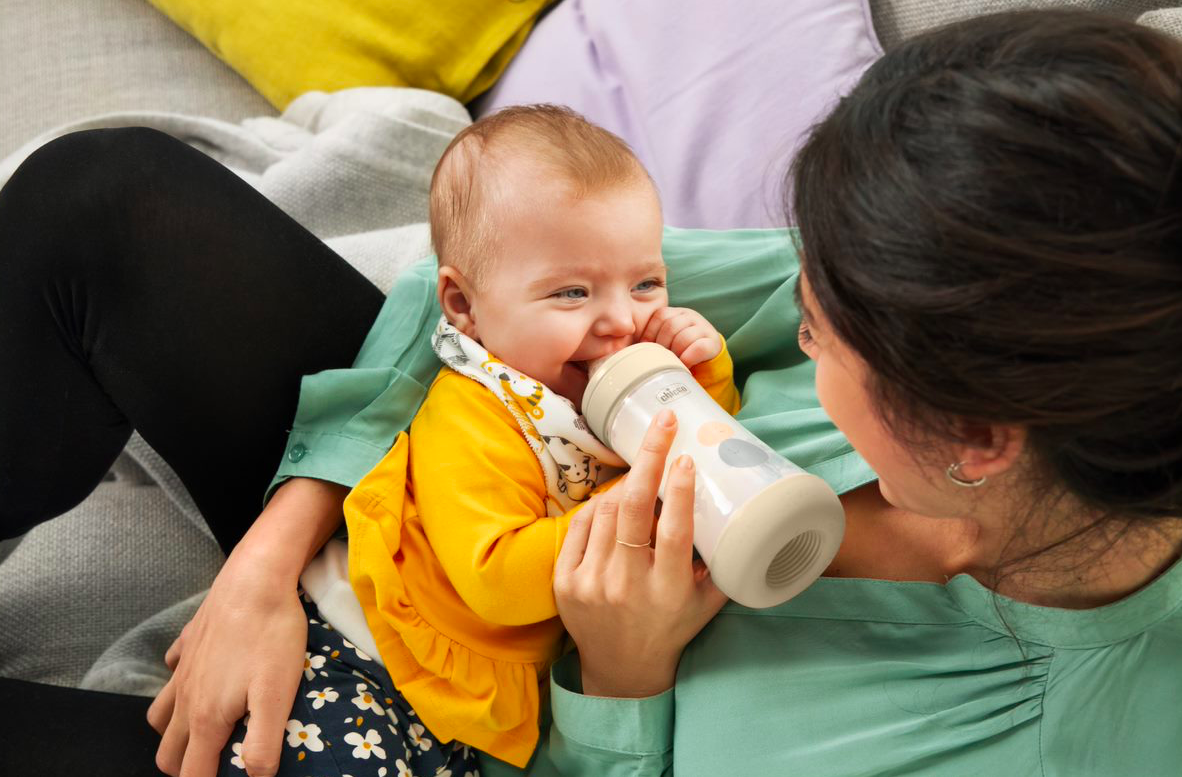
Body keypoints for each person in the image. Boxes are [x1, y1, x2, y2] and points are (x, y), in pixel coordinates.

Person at [0, 8, 1178, 777]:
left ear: (974, 436)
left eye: (815, 334)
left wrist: (623, 676)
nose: (795, 324)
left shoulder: (1043, 741)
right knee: (108, 203)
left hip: (453, 744)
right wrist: (274, 552)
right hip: (435, 501)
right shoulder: (927, 282)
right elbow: (476, 303)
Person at [211, 104, 737, 776]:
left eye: (646, 283)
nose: (621, 322)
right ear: (465, 306)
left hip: (462, 717)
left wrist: (699, 373)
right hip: (362, 654)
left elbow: (690, 447)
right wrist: (630, 507)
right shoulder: (475, 410)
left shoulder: (602, 392)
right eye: (572, 292)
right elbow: (497, 578)